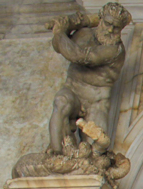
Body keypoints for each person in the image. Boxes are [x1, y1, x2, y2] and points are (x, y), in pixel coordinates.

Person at [46, 2, 132, 155]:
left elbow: (79, 56)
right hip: (74, 91)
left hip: (96, 101)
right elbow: (57, 46)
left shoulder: (114, 50)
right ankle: (55, 155)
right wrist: (63, 29)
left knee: (95, 151)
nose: (111, 30)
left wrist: (60, 31)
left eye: (116, 27)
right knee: (61, 101)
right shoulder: (84, 34)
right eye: (107, 23)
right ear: (100, 19)